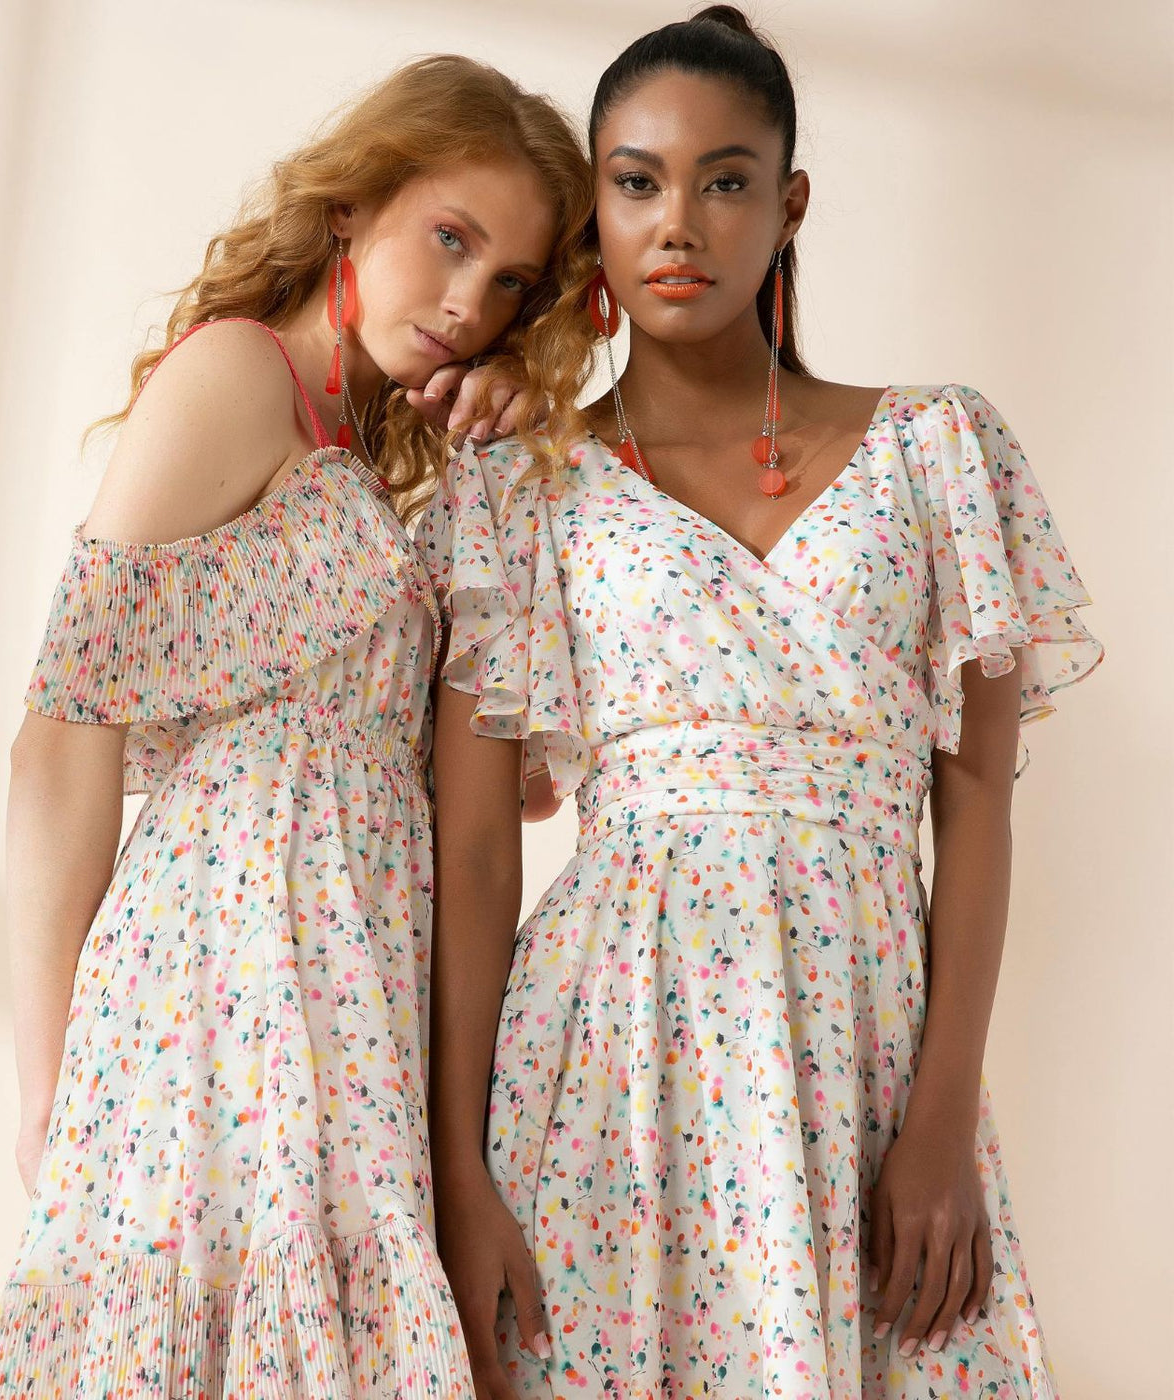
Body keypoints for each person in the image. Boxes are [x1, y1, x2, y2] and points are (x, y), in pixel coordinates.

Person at [420, 10, 1102, 1398]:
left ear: (789, 204)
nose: (681, 222)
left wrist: (943, 1122)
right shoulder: (521, 484)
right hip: (607, 1062)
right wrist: (459, 1173)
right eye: (637, 181)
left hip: (863, 1060)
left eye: (726, 181)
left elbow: (973, 805)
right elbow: (479, 855)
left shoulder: (939, 452)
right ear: (594, 217)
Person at [0, 54, 596, 1399]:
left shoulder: (371, 449)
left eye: (509, 285)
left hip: (349, 979)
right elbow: (63, 727)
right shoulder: (237, 377)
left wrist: (514, 434)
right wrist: (48, 1068)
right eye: (450, 239)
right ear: (349, 211)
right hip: (220, 979)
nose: (464, 304)